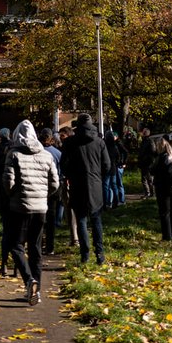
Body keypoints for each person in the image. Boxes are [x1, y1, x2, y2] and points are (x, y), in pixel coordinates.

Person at [2, 119, 60, 305]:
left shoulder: (14, 154)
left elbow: (8, 182)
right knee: (36, 248)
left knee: (15, 245)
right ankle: (37, 291)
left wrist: (13, 195)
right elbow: (55, 183)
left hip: (19, 207)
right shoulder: (46, 155)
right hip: (41, 208)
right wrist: (43, 195)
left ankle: (29, 280)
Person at [63, 113, 110, 266]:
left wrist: (71, 174)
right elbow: (107, 165)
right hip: (95, 184)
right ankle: (100, 253)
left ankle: (85, 254)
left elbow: (64, 164)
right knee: (96, 220)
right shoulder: (99, 142)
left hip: (77, 184)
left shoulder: (70, 142)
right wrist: (98, 175)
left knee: (81, 220)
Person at [152, 137, 172, 242]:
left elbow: (153, 170)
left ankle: (167, 236)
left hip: (163, 188)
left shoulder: (161, 158)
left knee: (164, 212)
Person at [39, 127, 62, 254]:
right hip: (53, 188)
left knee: (38, 217)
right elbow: (60, 171)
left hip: (39, 187)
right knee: (51, 218)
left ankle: (39, 243)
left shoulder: (36, 151)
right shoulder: (57, 153)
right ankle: (50, 246)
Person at [137, 126, 156, 199]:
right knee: (144, 179)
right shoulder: (144, 141)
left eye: (143, 132)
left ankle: (151, 193)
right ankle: (147, 193)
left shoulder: (149, 141)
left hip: (148, 163)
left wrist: (148, 160)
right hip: (143, 163)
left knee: (149, 179)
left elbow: (153, 152)